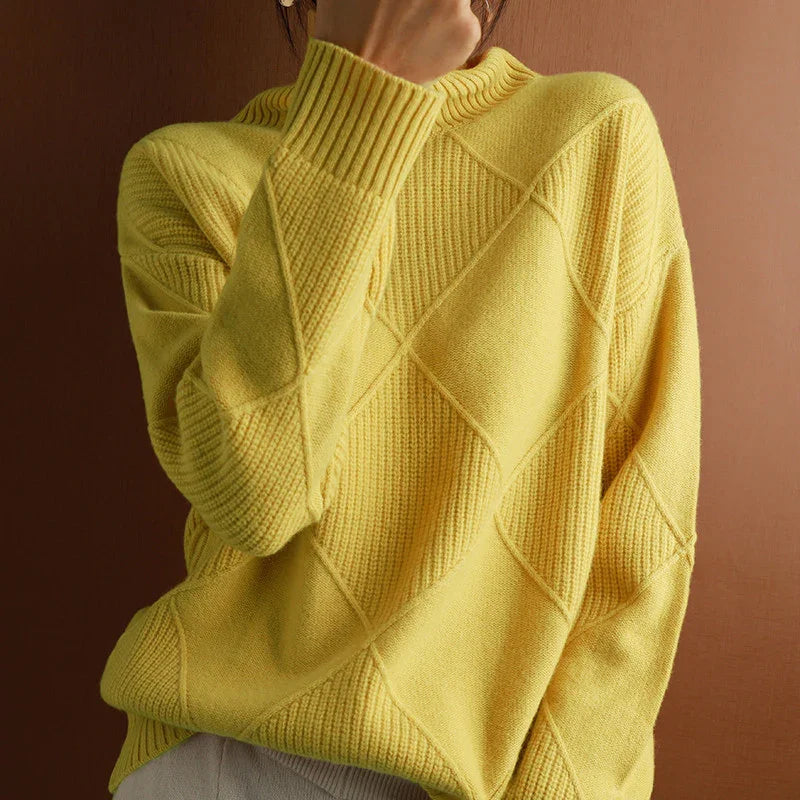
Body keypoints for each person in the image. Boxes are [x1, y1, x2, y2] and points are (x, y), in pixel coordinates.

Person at [100, 0, 702, 798]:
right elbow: (255, 496)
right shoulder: (184, 175)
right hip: (227, 763)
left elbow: (643, 543)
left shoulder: (595, 137)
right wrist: (360, 99)